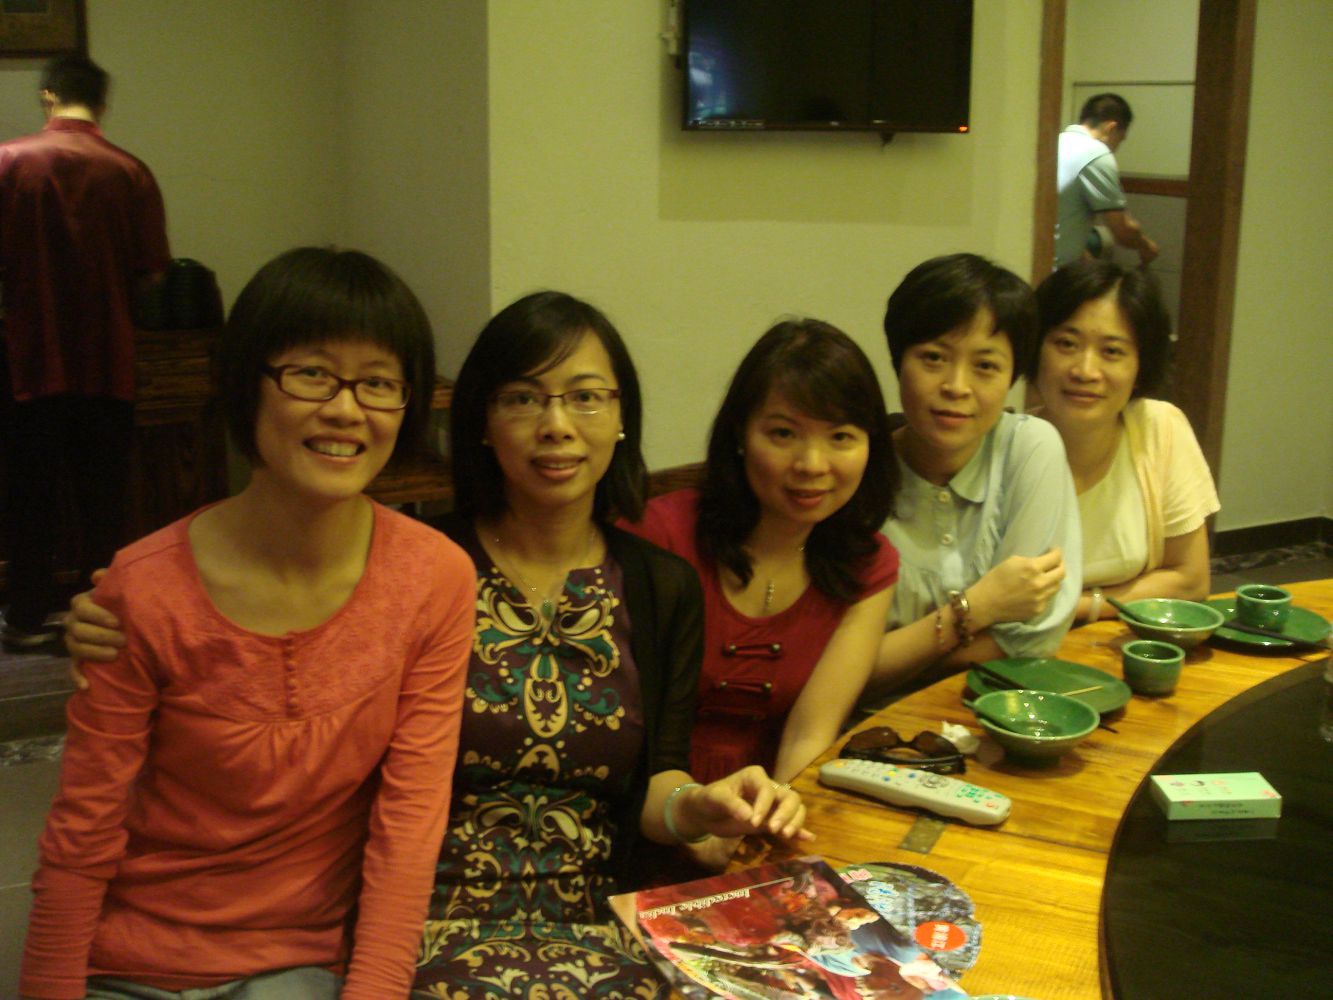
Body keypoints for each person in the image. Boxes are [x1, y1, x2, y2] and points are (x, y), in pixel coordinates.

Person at [69, 291, 814, 997]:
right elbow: (273, 637)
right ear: (481, 422)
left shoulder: (660, 585)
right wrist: (134, 609)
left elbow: (658, 781)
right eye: (522, 398)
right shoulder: (412, 566)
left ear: (622, 417)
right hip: (416, 920)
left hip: (598, 921)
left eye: (587, 397)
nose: (557, 424)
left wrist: (698, 805)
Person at [20, 248, 477, 999]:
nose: (346, 409)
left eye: (378, 382)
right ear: (245, 384)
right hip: (133, 957)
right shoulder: (143, 588)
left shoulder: (433, 579)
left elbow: (409, 824)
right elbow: (83, 831)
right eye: (311, 373)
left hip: (297, 964)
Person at [624, 320, 899, 785]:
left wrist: (777, 809)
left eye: (840, 437)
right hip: (645, 799)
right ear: (740, 435)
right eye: (784, 434)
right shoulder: (659, 537)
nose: (812, 465)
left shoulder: (867, 564)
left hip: (767, 800)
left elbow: (809, 736)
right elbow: (618, 723)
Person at [0, 55, 171, 650]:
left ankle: (25, 617)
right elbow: (153, 274)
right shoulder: (130, 172)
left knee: (28, 495)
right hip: (108, 361)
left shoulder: (8, 162)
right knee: (103, 499)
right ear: (101, 104)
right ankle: (102, 614)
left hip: (27, 362)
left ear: (49, 96)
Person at [865, 253, 1082, 702]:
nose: (957, 387)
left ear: (1012, 376)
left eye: (985, 366)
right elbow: (829, 670)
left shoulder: (1030, 448)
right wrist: (978, 608)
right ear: (898, 360)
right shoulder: (856, 469)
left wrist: (893, 657)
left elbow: (1031, 638)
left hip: (997, 712)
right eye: (934, 358)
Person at [1031, 259, 1218, 623]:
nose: (1085, 371)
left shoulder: (1159, 429)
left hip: (1125, 640)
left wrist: (1077, 607)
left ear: (1140, 366)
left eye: (1112, 351)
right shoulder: (1003, 445)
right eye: (1067, 344)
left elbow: (1190, 581)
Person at [1055, 93, 1158, 268]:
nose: (1116, 148)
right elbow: (1122, 231)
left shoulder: (1057, 142)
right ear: (1111, 128)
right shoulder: (1096, 153)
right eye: (1120, 140)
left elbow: (1062, 216)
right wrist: (1146, 246)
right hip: (1056, 272)